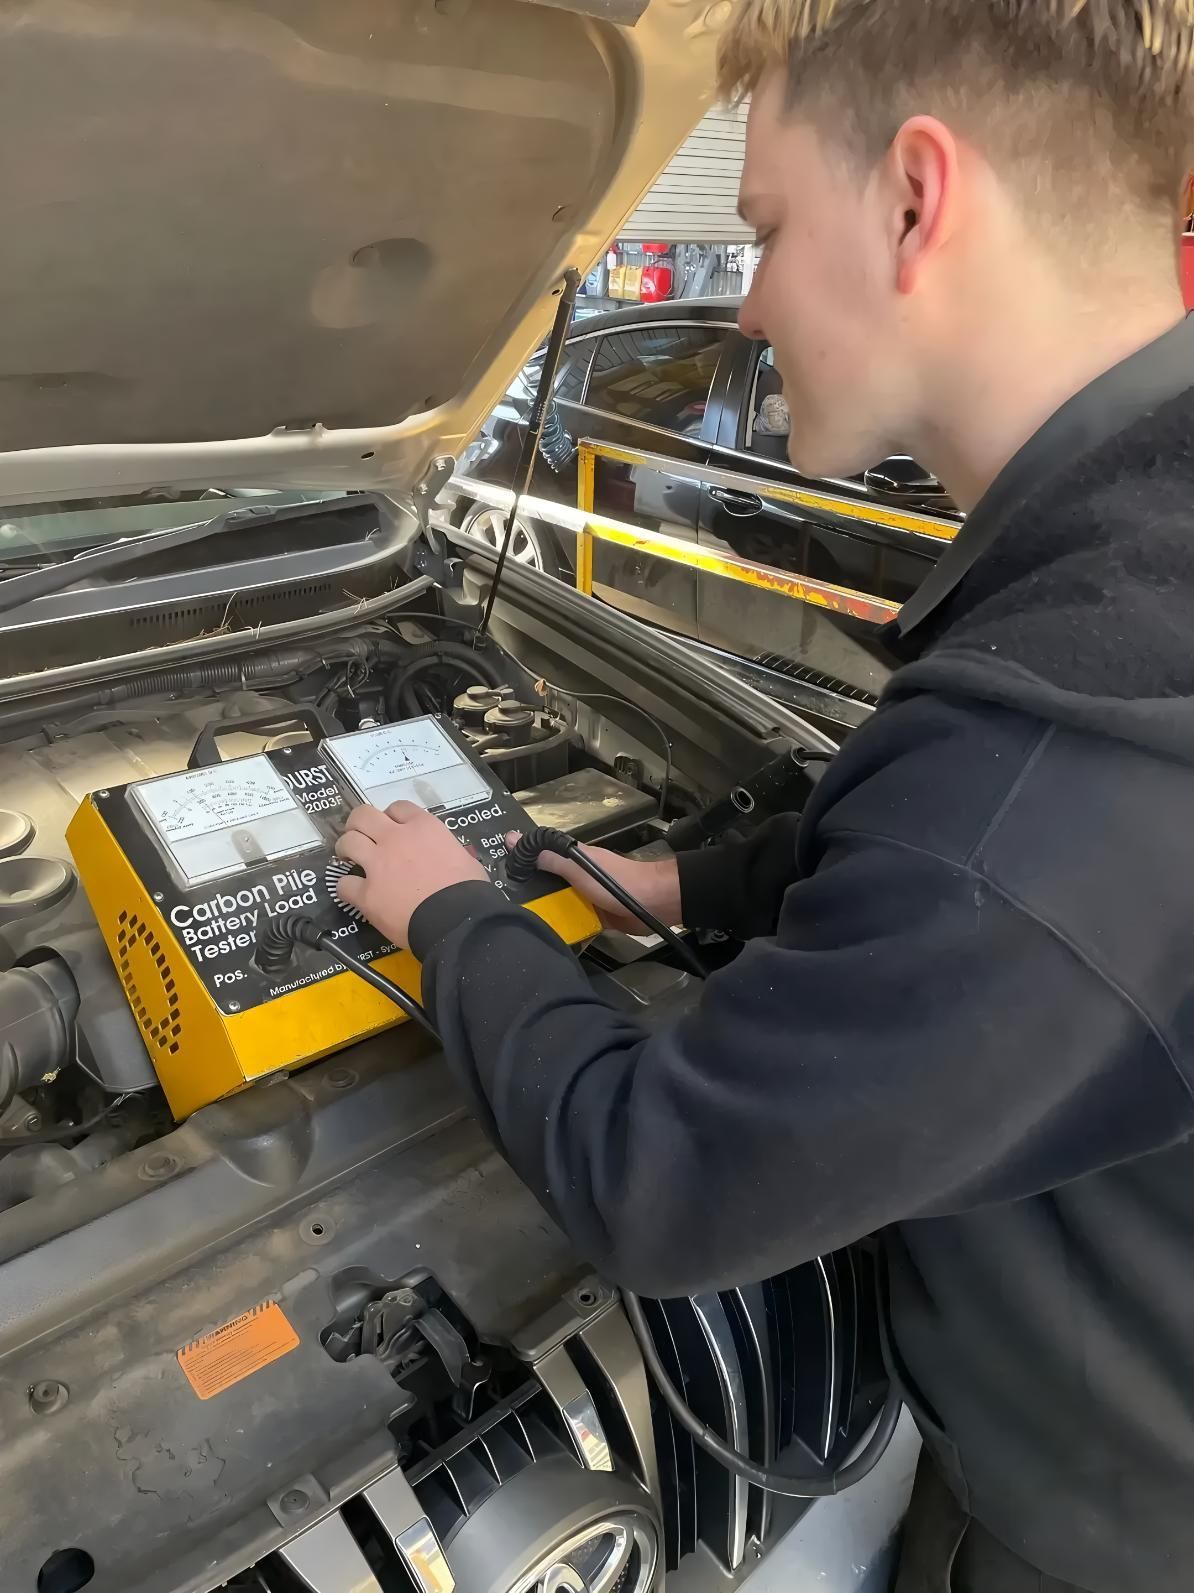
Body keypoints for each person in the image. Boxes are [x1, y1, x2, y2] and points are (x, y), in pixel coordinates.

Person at [333, 4, 1194, 1589]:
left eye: (768, 229)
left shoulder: (1063, 771)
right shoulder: (1128, 581)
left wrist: (449, 914)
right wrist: (700, 887)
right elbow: (959, 845)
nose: (743, 299)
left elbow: (661, 1180)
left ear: (916, 203)